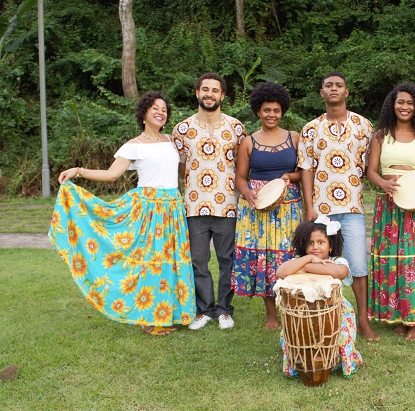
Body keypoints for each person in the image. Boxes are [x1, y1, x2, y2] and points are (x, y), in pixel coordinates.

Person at [49, 91, 196, 336]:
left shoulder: (172, 141)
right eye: (155, 108)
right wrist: (78, 170)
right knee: (150, 262)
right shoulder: (133, 145)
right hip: (148, 208)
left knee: (170, 261)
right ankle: (149, 317)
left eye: (164, 109)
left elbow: (184, 171)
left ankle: (170, 312)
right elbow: (111, 175)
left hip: (172, 206)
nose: (161, 112)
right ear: (144, 113)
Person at [298, 72, 379, 341]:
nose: (334, 89)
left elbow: (373, 165)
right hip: (321, 209)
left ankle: (364, 321)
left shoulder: (363, 125)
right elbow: (307, 169)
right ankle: (326, 315)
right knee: (321, 263)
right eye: (328, 86)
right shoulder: (310, 129)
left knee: (357, 266)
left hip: (353, 208)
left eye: (339, 85)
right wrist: (310, 207)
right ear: (321, 92)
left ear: (347, 91)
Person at [367, 82, 415, 341]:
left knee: (414, 259)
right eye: (401, 102)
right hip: (388, 203)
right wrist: (383, 183)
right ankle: (398, 315)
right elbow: (371, 171)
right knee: (392, 259)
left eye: (410, 103)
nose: (405, 107)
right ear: (392, 104)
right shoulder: (380, 135)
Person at [172, 73, 247, 330]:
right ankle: (204, 309)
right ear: (197, 93)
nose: (209, 94)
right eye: (205, 89)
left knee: (228, 259)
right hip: (194, 205)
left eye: (215, 90)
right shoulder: (181, 130)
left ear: (222, 96)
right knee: (198, 260)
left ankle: (225, 309)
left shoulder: (236, 128)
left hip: (227, 204)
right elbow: (180, 167)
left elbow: (242, 165)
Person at [232, 82, 303, 330]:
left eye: (276, 110)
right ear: (258, 112)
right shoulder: (248, 142)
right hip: (258, 206)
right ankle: (271, 314)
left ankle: (293, 308)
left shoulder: (294, 138)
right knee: (265, 258)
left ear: (282, 111)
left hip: (288, 205)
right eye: (266, 110)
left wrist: (288, 178)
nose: (271, 114)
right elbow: (240, 177)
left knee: (289, 255)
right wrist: (248, 193)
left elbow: (302, 173)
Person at [276, 216, 362, 378]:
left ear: (331, 246)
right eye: (310, 243)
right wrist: (308, 259)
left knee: (342, 333)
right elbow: (280, 273)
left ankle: (339, 361)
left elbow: (339, 272)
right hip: (302, 309)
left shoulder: (337, 260)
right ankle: (298, 362)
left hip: (336, 309)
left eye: (321, 242)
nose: (315, 247)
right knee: (293, 334)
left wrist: (304, 268)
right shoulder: (300, 260)